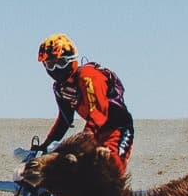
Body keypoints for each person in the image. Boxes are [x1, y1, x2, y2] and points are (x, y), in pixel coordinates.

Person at [38, 34, 132, 173]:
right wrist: (45, 146)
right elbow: (64, 120)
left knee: (110, 169)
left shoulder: (88, 76)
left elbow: (98, 115)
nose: (56, 69)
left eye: (61, 62)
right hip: (94, 134)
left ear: (71, 60)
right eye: (50, 64)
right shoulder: (60, 88)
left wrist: (79, 143)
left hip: (117, 129)